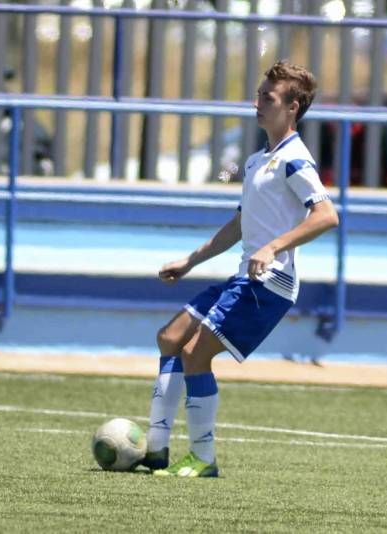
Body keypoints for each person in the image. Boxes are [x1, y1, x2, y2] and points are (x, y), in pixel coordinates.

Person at [142, 61, 340, 478]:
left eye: (267, 98)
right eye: (258, 94)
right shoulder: (255, 162)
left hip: (270, 285)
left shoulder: (295, 161)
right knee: (171, 337)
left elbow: (326, 216)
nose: (256, 103)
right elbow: (238, 225)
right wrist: (190, 260)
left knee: (197, 354)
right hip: (243, 277)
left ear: (293, 107)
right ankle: (155, 450)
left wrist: (273, 247)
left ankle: (203, 457)